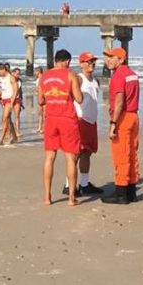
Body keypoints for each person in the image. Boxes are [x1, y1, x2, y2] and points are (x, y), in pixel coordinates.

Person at [38, 49, 84, 206]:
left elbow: (40, 101)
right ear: (68, 61)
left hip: (51, 118)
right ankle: (71, 198)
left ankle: (47, 197)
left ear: (55, 60)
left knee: (49, 157)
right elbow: (79, 99)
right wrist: (79, 84)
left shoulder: (44, 76)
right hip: (67, 118)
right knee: (70, 158)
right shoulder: (70, 74)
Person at [101, 47, 141, 204]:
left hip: (123, 117)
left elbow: (119, 101)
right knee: (131, 154)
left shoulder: (119, 76)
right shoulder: (132, 74)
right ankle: (131, 191)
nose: (108, 60)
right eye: (108, 57)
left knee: (121, 155)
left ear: (121, 59)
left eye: (112, 57)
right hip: (134, 116)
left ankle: (121, 192)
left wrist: (113, 123)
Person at [64, 52, 103, 196]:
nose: (91, 63)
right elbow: (68, 96)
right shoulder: (78, 79)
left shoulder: (96, 80)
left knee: (87, 152)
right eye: (87, 61)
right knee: (76, 154)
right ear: (81, 64)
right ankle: (69, 185)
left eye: (93, 61)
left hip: (91, 121)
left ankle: (85, 184)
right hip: (80, 120)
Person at [0, 64, 18, 145]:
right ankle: (15, 137)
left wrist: (12, 100)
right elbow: (2, 89)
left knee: (4, 119)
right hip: (4, 100)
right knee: (9, 120)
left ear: (3, 70)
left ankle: (1, 139)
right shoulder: (2, 78)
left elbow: (16, 89)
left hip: (9, 100)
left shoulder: (11, 77)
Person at [10, 67, 24, 139]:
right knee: (7, 116)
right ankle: (8, 131)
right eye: (17, 73)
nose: (18, 75)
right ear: (13, 73)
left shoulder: (20, 80)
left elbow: (20, 91)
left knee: (17, 116)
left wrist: (21, 100)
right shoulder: (10, 80)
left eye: (19, 74)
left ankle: (17, 131)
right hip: (10, 99)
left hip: (18, 99)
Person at [34, 67, 46, 134]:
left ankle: (44, 128)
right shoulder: (38, 79)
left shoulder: (42, 78)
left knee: (44, 113)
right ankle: (40, 127)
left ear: (38, 71)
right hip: (39, 96)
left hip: (43, 97)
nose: (34, 73)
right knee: (40, 113)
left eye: (35, 71)